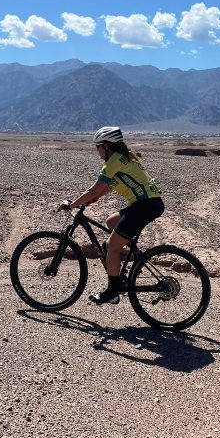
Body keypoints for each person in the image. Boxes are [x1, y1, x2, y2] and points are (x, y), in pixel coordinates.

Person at [59, 126, 164, 305]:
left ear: (106, 146)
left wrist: (73, 204)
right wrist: (92, 199)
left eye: (98, 147)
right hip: (149, 204)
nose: (97, 151)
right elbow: (107, 187)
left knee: (112, 246)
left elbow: (93, 189)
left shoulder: (113, 162)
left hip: (144, 206)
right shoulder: (124, 158)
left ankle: (112, 291)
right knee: (111, 222)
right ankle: (132, 258)